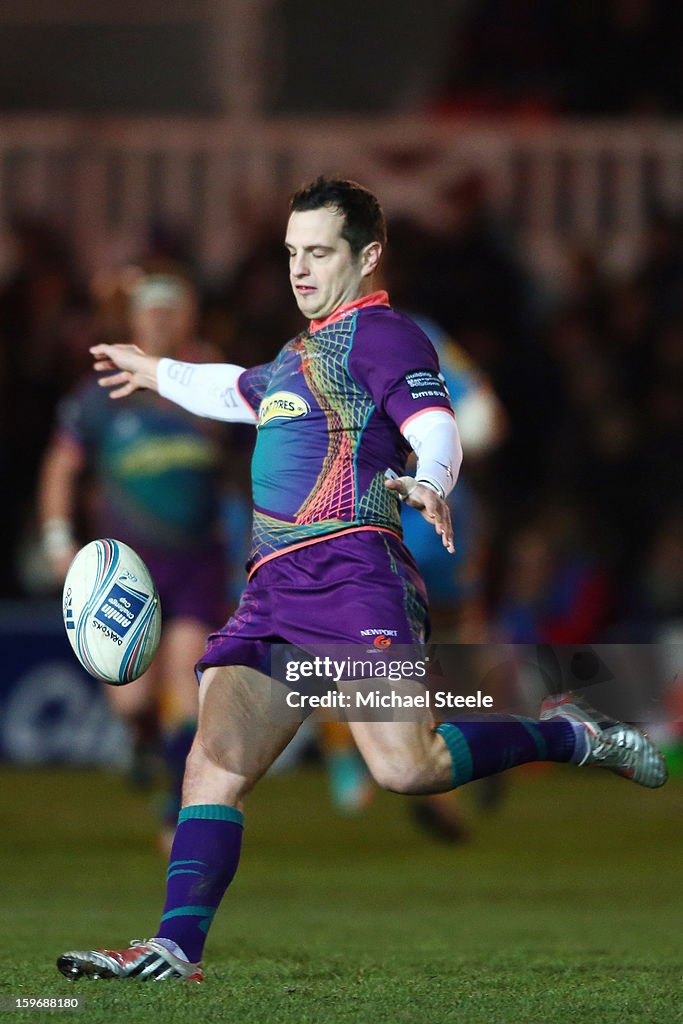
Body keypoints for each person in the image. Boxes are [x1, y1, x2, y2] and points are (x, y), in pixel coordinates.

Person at [57, 177, 667, 983]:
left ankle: (570, 731)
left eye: (318, 252)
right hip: (273, 592)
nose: (299, 270)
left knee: (406, 769)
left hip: (353, 579)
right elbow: (238, 392)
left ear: (367, 255)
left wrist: (433, 480)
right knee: (214, 764)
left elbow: (434, 423)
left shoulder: (385, 335)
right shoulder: (297, 354)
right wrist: (156, 369)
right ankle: (175, 948)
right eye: (289, 253)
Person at [39, 272, 229, 851]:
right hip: (127, 567)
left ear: (188, 319)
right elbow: (61, 468)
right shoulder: (96, 398)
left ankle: (175, 809)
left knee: (187, 681)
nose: (162, 321)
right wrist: (56, 537)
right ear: (135, 321)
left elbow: (253, 464)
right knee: (131, 698)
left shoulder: (208, 388)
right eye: (153, 312)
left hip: (198, 559)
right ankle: (145, 745)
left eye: (173, 311)